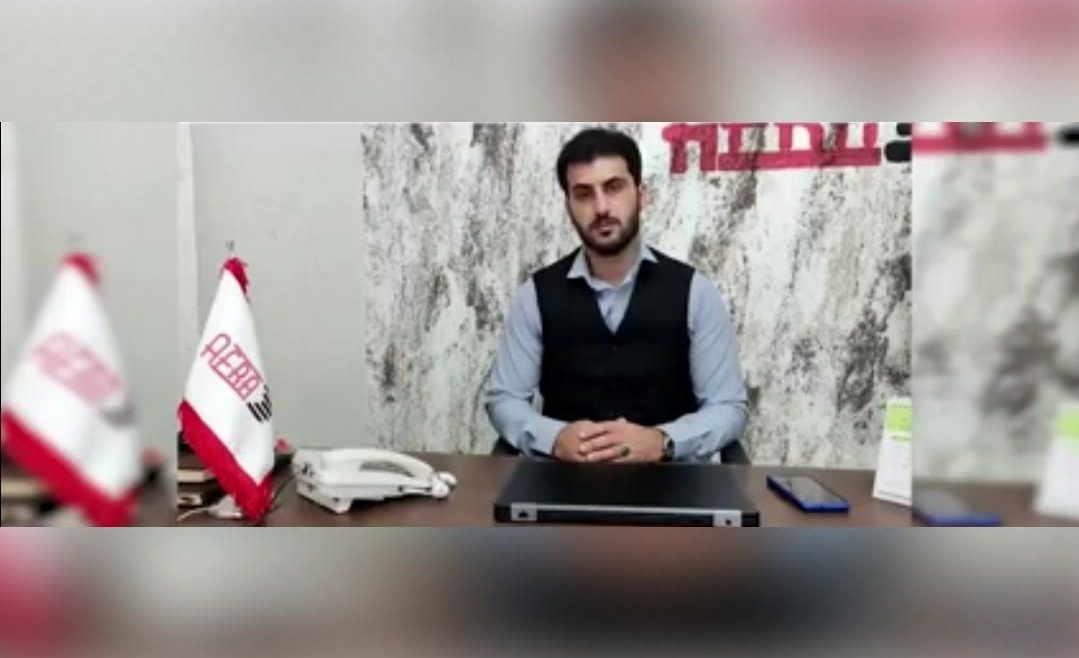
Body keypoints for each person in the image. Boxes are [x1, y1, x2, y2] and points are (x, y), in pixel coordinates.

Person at [485, 127, 748, 463]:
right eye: (583, 194)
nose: (601, 207)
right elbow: (505, 399)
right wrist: (554, 439)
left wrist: (663, 441)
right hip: (563, 477)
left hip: (671, 478)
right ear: (568, 206)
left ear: (641, 194)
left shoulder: (696, 293)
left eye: (613, 188)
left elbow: (728, 406)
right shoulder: (535, 296)